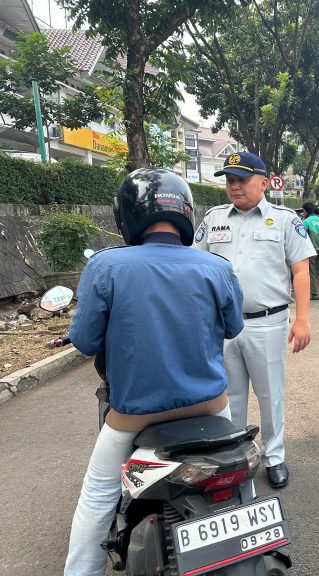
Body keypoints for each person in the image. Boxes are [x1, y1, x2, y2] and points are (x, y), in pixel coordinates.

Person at [64, 168, 244, 576]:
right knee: (238, 476)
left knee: (98, 494)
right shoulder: (215, 266)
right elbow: (233, 327)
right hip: (210, 407)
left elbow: (87, 341)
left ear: (127, 215)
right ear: (185, 211)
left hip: (135, 413)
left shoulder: (106, 266)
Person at [194, 151, 316, 488]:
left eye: (241, 180)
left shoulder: (283, 219)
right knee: (228, 396)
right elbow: (194, 266)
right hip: (223, 326)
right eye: (230, 180)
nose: (234, 186)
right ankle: (234, 459)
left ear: (263, 182)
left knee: (269, 394)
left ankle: (274, 456)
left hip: (267, 322)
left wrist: (302, 319)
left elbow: (301, 270)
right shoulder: (215, 219)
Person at [302, 202, 319, 299]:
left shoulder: (306, 222)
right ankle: (315, 290)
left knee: (311, 271)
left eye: (303, 210)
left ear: (305, 211)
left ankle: (314, 293)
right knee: (317, 271)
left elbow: (302, 236)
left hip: (311, 250)